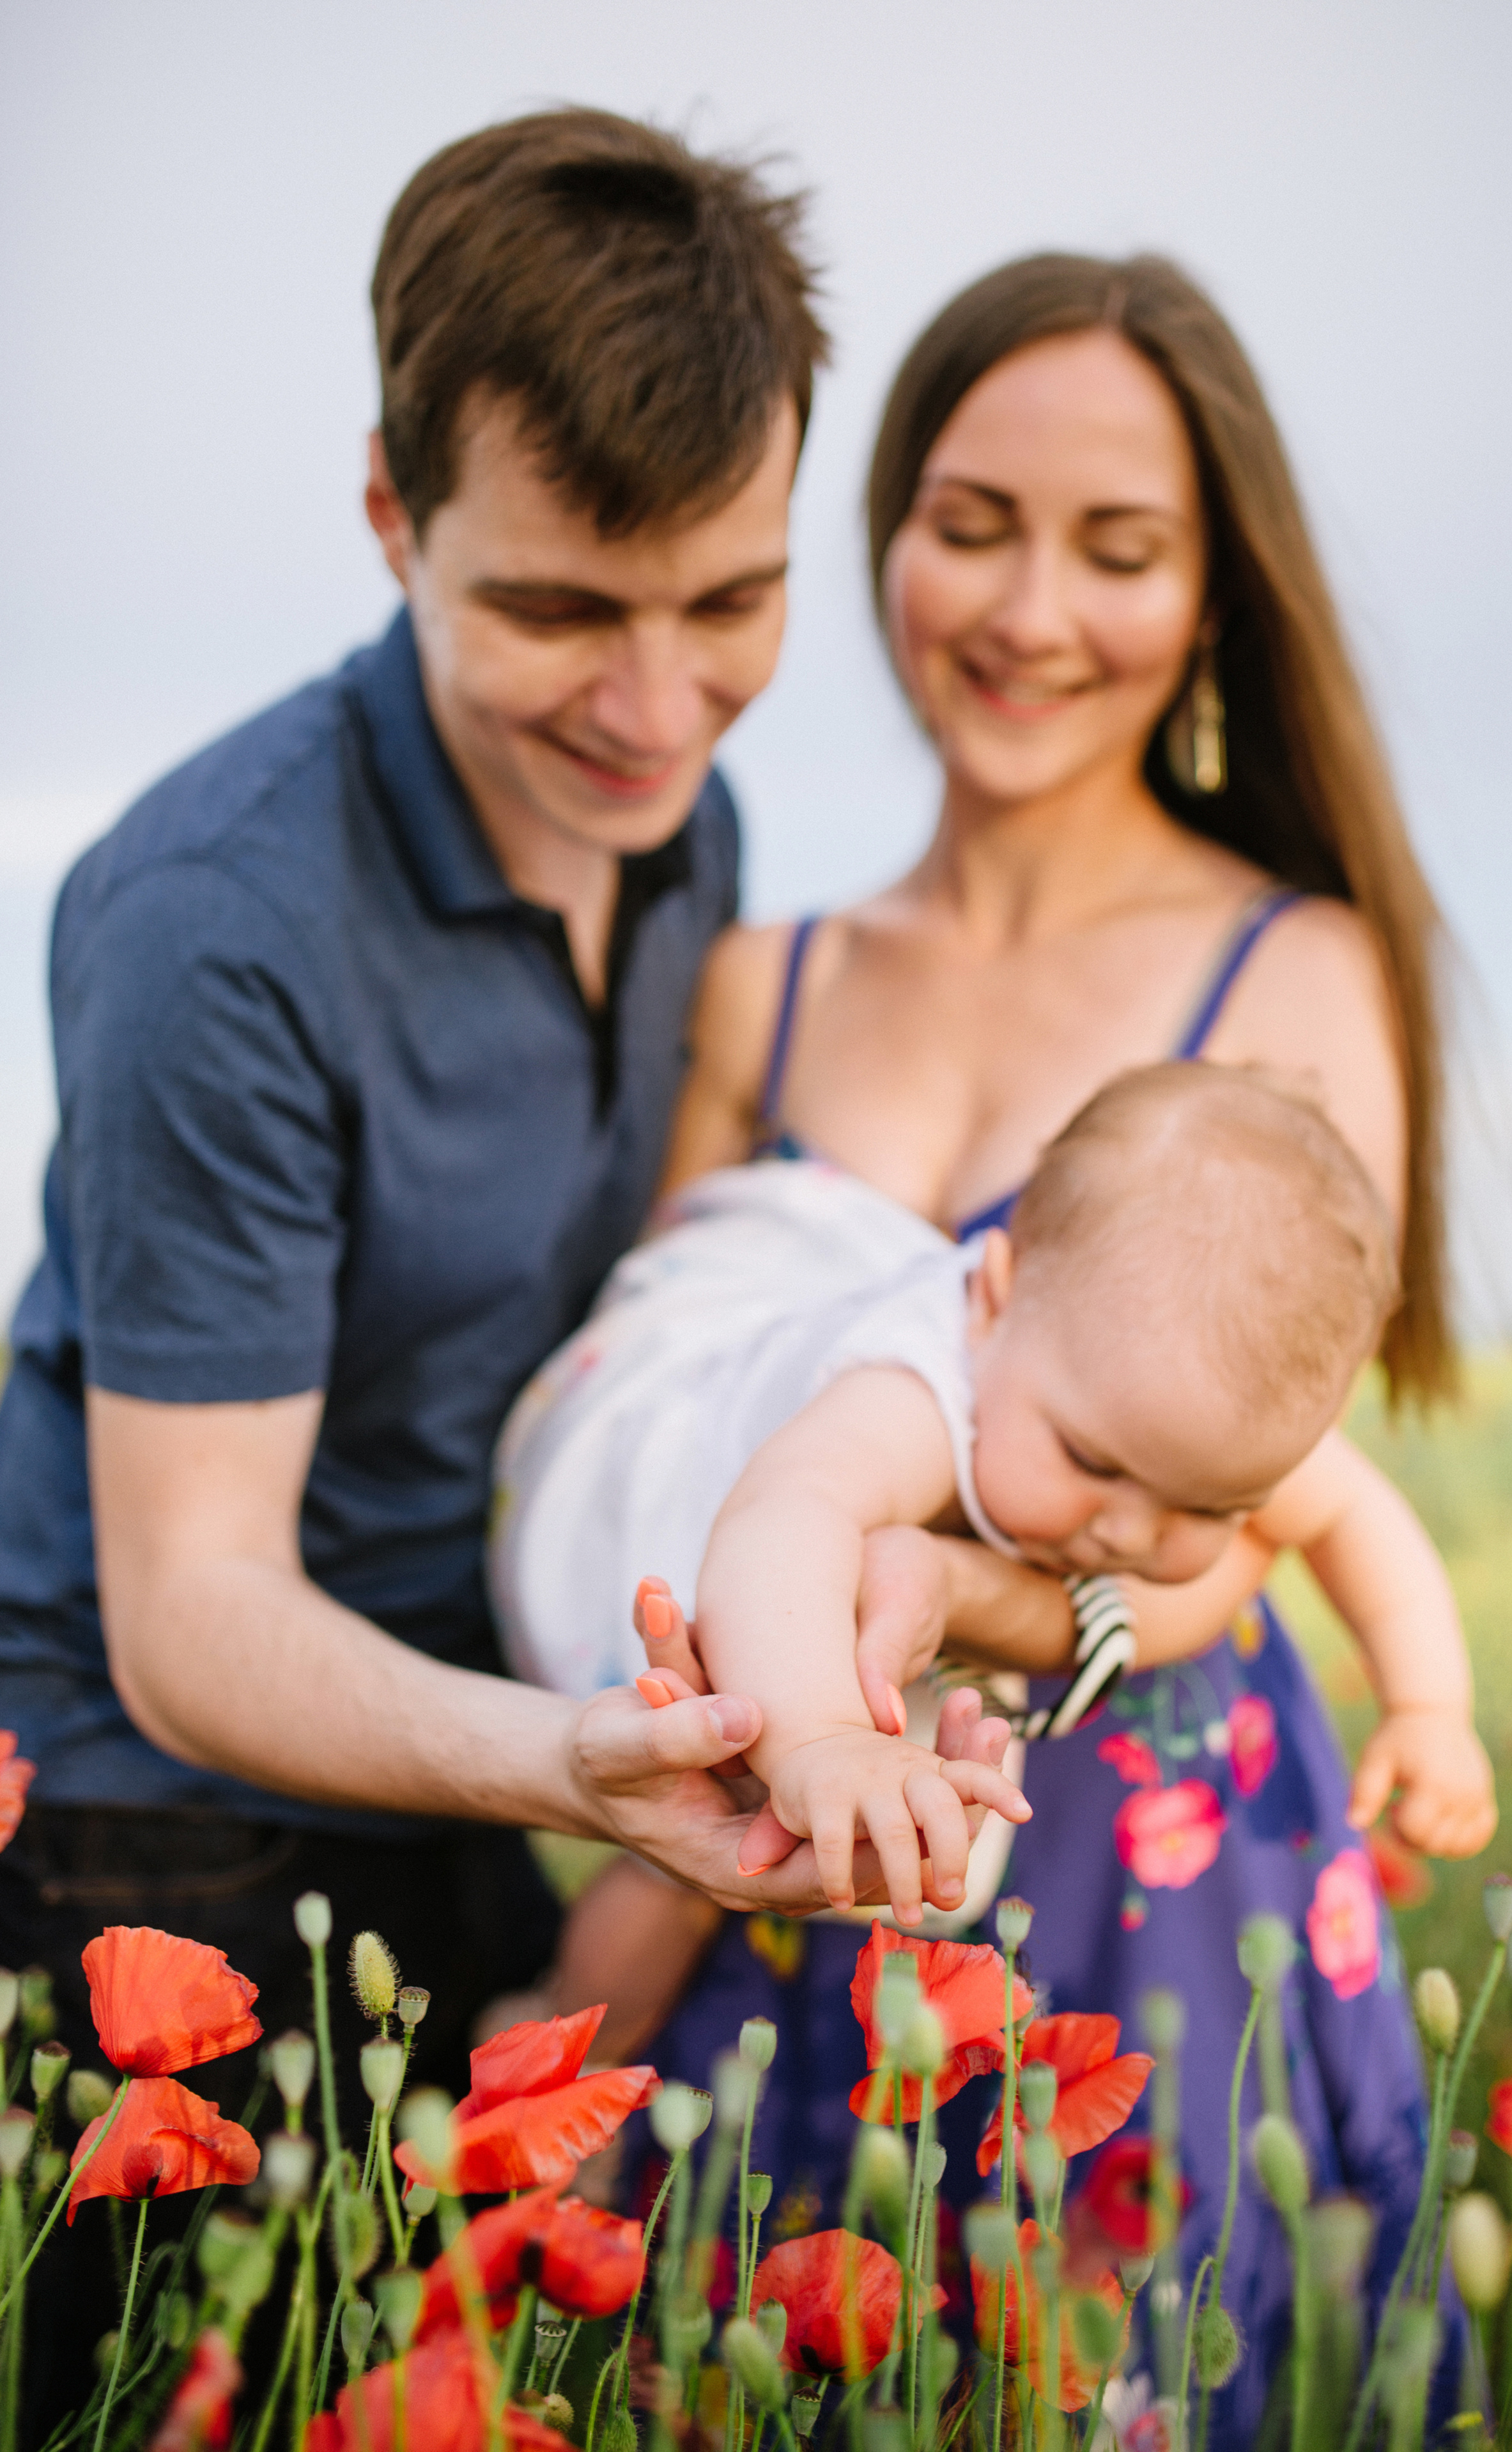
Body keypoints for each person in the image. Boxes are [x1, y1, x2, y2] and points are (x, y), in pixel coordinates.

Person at [0, 109, 1001, 2423]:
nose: (654, 708)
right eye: (559, 609)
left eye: (727, 605)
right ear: (390, 514)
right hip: (152, 1828)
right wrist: (577, 1760)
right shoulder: (211, 928)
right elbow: (195, 1606)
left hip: (466, 1749)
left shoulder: (687, 821)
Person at [530, 253, 1495, 2440]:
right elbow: (674, 1385)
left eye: (1120, 546)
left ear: (1215, 595)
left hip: (1152, 1846)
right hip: (813, 1840)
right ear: (879, 526)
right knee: (805, 2356)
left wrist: (949, 1585)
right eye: (972, 519)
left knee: (1139, 2366)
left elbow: (1244, 1527)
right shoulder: (757, 976)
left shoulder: (1294, 958)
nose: (1030, 607)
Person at [493, 1064, 1490, 1938]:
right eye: (1090, 1461)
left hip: (891, 1594)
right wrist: (822, 1739)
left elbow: (1355, 1513)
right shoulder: (916, 1386)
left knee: (871, 1854)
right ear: (996, 1298)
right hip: (700, 1508)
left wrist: (1430, 1705)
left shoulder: (1180, 1403)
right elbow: (783, 1517)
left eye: (1210, 1509)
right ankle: (565, 2025)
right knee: (713, 1835)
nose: (1131, 1532)